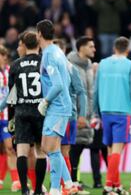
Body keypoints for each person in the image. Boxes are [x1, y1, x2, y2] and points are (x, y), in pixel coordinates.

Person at [94, 36, 131, 195]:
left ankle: (117, 185)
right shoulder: (130, 65)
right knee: (116, 150)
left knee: (110, 151)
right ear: (127, 50)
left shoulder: (102, 63)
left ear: (114, 48)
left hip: (105, 111)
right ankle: (108, 186)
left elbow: (95, 90)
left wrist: (96, 112)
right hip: (123, 112)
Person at [0, 31, 46, 195]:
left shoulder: (16, 65)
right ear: (38, 43)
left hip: (22, 113)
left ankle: (25, 189)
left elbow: (11, 95)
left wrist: (11, 115)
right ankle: (38, 189)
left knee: (21, 152)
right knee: (40, 153)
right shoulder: (44, 62)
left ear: (24, 45)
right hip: (41, 112)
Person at [36, 19, 77, 195]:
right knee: (50, 148)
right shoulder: (57, 51)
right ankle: (68, 183)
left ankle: (54, 189)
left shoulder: (49, 54)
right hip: (60, 106)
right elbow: (66, 79)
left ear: (39, 33)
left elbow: (58, 84)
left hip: (57, 106)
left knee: (50, 149)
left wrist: (45, 101)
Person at [53, 39, 90, 194]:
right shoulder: (49, 67)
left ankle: (65, 185)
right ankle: (64, 184)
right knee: (54, 151)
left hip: (68, 116)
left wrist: (82, 114)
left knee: (63, 151)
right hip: (52, 115)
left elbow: (81, 92)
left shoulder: (70, 68)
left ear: (63, 50)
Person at [68, 36, 103, 189]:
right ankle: (70, 182)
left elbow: (90, 93)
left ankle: (73, 181)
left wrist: (92, 114)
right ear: (81, 48)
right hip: (75, 116)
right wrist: (77, 115)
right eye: (91, 46)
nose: (94, 49)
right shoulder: (70, 65)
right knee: (73, 149)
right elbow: (70, 93)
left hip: (88, 116)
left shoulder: (89, 66)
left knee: (79, 147)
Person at [0, 45, 21, 192]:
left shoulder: (10, 71)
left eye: (2, 55)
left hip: (6, 117)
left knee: (10, 148)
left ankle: (16, 181)